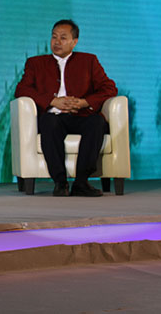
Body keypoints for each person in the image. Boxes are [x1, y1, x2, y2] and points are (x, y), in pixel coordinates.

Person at [14, 19, 117, 197]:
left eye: (63, 38)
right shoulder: (35, 63)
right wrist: (52, 101)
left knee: (97, 122)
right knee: (48, 122)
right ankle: (60, 182)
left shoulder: (89, 61)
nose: (57, 42)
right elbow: (21, 89)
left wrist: (84, 102)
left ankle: (81, 182)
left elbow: (109, 88)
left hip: (81, 115)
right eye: (54, 37)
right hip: (53, 116)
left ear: (74, 42)